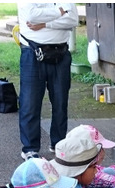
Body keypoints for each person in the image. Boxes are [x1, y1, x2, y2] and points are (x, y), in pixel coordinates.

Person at [17, 3, 78, 160]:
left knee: (60, 102)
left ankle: (58, 143)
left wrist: (45, 23)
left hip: (61, 53)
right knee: (30, 103)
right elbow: (32, 16)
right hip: (32, 52)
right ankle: (29, 148)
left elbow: (72, 20)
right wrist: (59, 12)